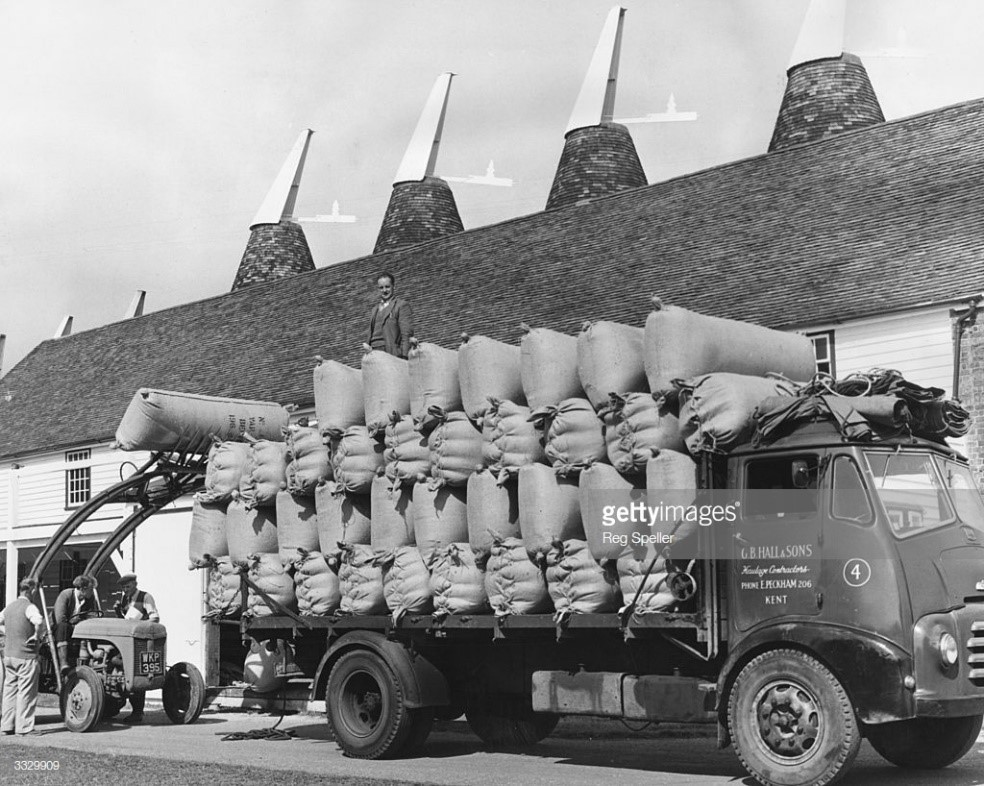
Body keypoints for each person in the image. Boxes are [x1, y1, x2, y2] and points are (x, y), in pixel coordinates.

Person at [0, 578, 45, 736]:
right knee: (26, 692)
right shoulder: (29, 607)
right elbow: (39, 622)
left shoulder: (9, 607)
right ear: (31, 590)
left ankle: (6, 726)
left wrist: (7, 634)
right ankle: (24, 728)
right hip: (25, 655)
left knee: (9, 691)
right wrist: (36, 636)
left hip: (9, 655)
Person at [113, 573, 160, 723]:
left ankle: (137, 712)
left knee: (137, 670)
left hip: (142, 641)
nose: (125, 590)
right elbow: (126, 621)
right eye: (123, 587)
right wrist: (117, 611)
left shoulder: (146, 597)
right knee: (115, 662)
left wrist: (142, 628)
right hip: (127, 641)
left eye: (128, 586)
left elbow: (154, 618)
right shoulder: (125, 599)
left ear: (135, 584)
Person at [53, 574, 99, 674]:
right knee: (63, 627)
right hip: (59, 630)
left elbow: (93, 616)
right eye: (91, 589)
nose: (93, 591)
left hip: (77, 628)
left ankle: (93, 663)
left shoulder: (90, 599)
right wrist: (79, 624)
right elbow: (60, 619)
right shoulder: (65, 595)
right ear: (83, 589)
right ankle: (64, 663)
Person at [367, 272, 414, 358]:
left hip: (390, 353)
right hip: (373, 353)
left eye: (387, 287)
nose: (384, 290)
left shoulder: (401, 305)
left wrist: (404, 356)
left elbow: (406, 334)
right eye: (381, 288)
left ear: (393, 287)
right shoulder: (374, 310)